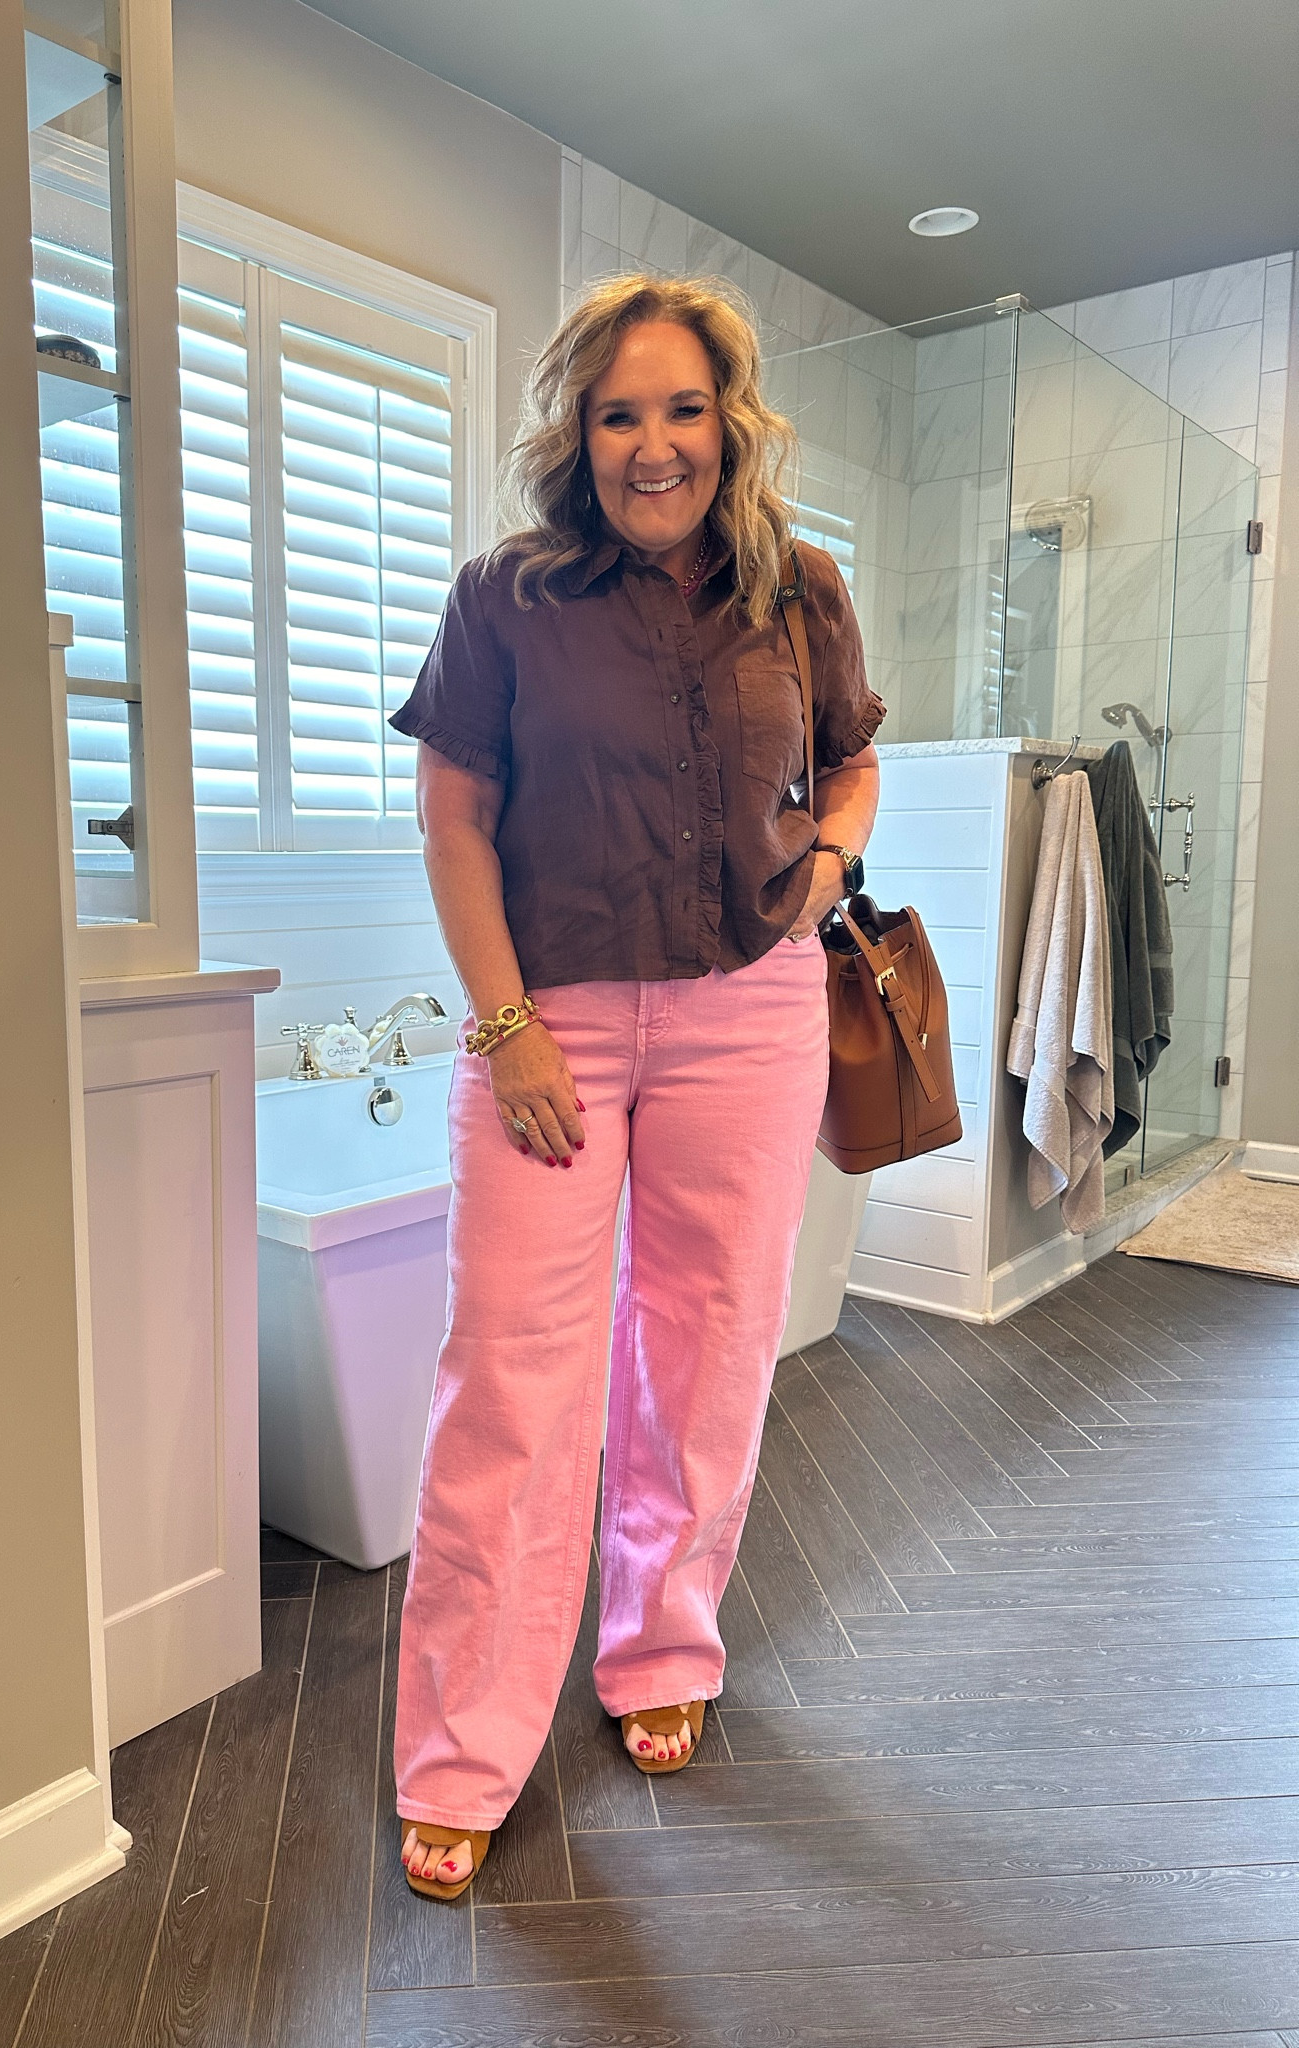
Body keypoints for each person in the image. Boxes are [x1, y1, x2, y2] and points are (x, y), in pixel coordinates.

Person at [386, 273, 883, 1899]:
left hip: (751, 1008)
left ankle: (663, 1647)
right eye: (619, 414)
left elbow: (852, 753)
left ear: (731, 423)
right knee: (510, 1380)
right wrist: (506, 1030)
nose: (653, 445)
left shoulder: (801, 589)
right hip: (556, 1024)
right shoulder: (505, 598)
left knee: (709, 1344)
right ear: (577, 431)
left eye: (683, 409)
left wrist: (832, 857)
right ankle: (464, 1746)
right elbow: (454, 822)